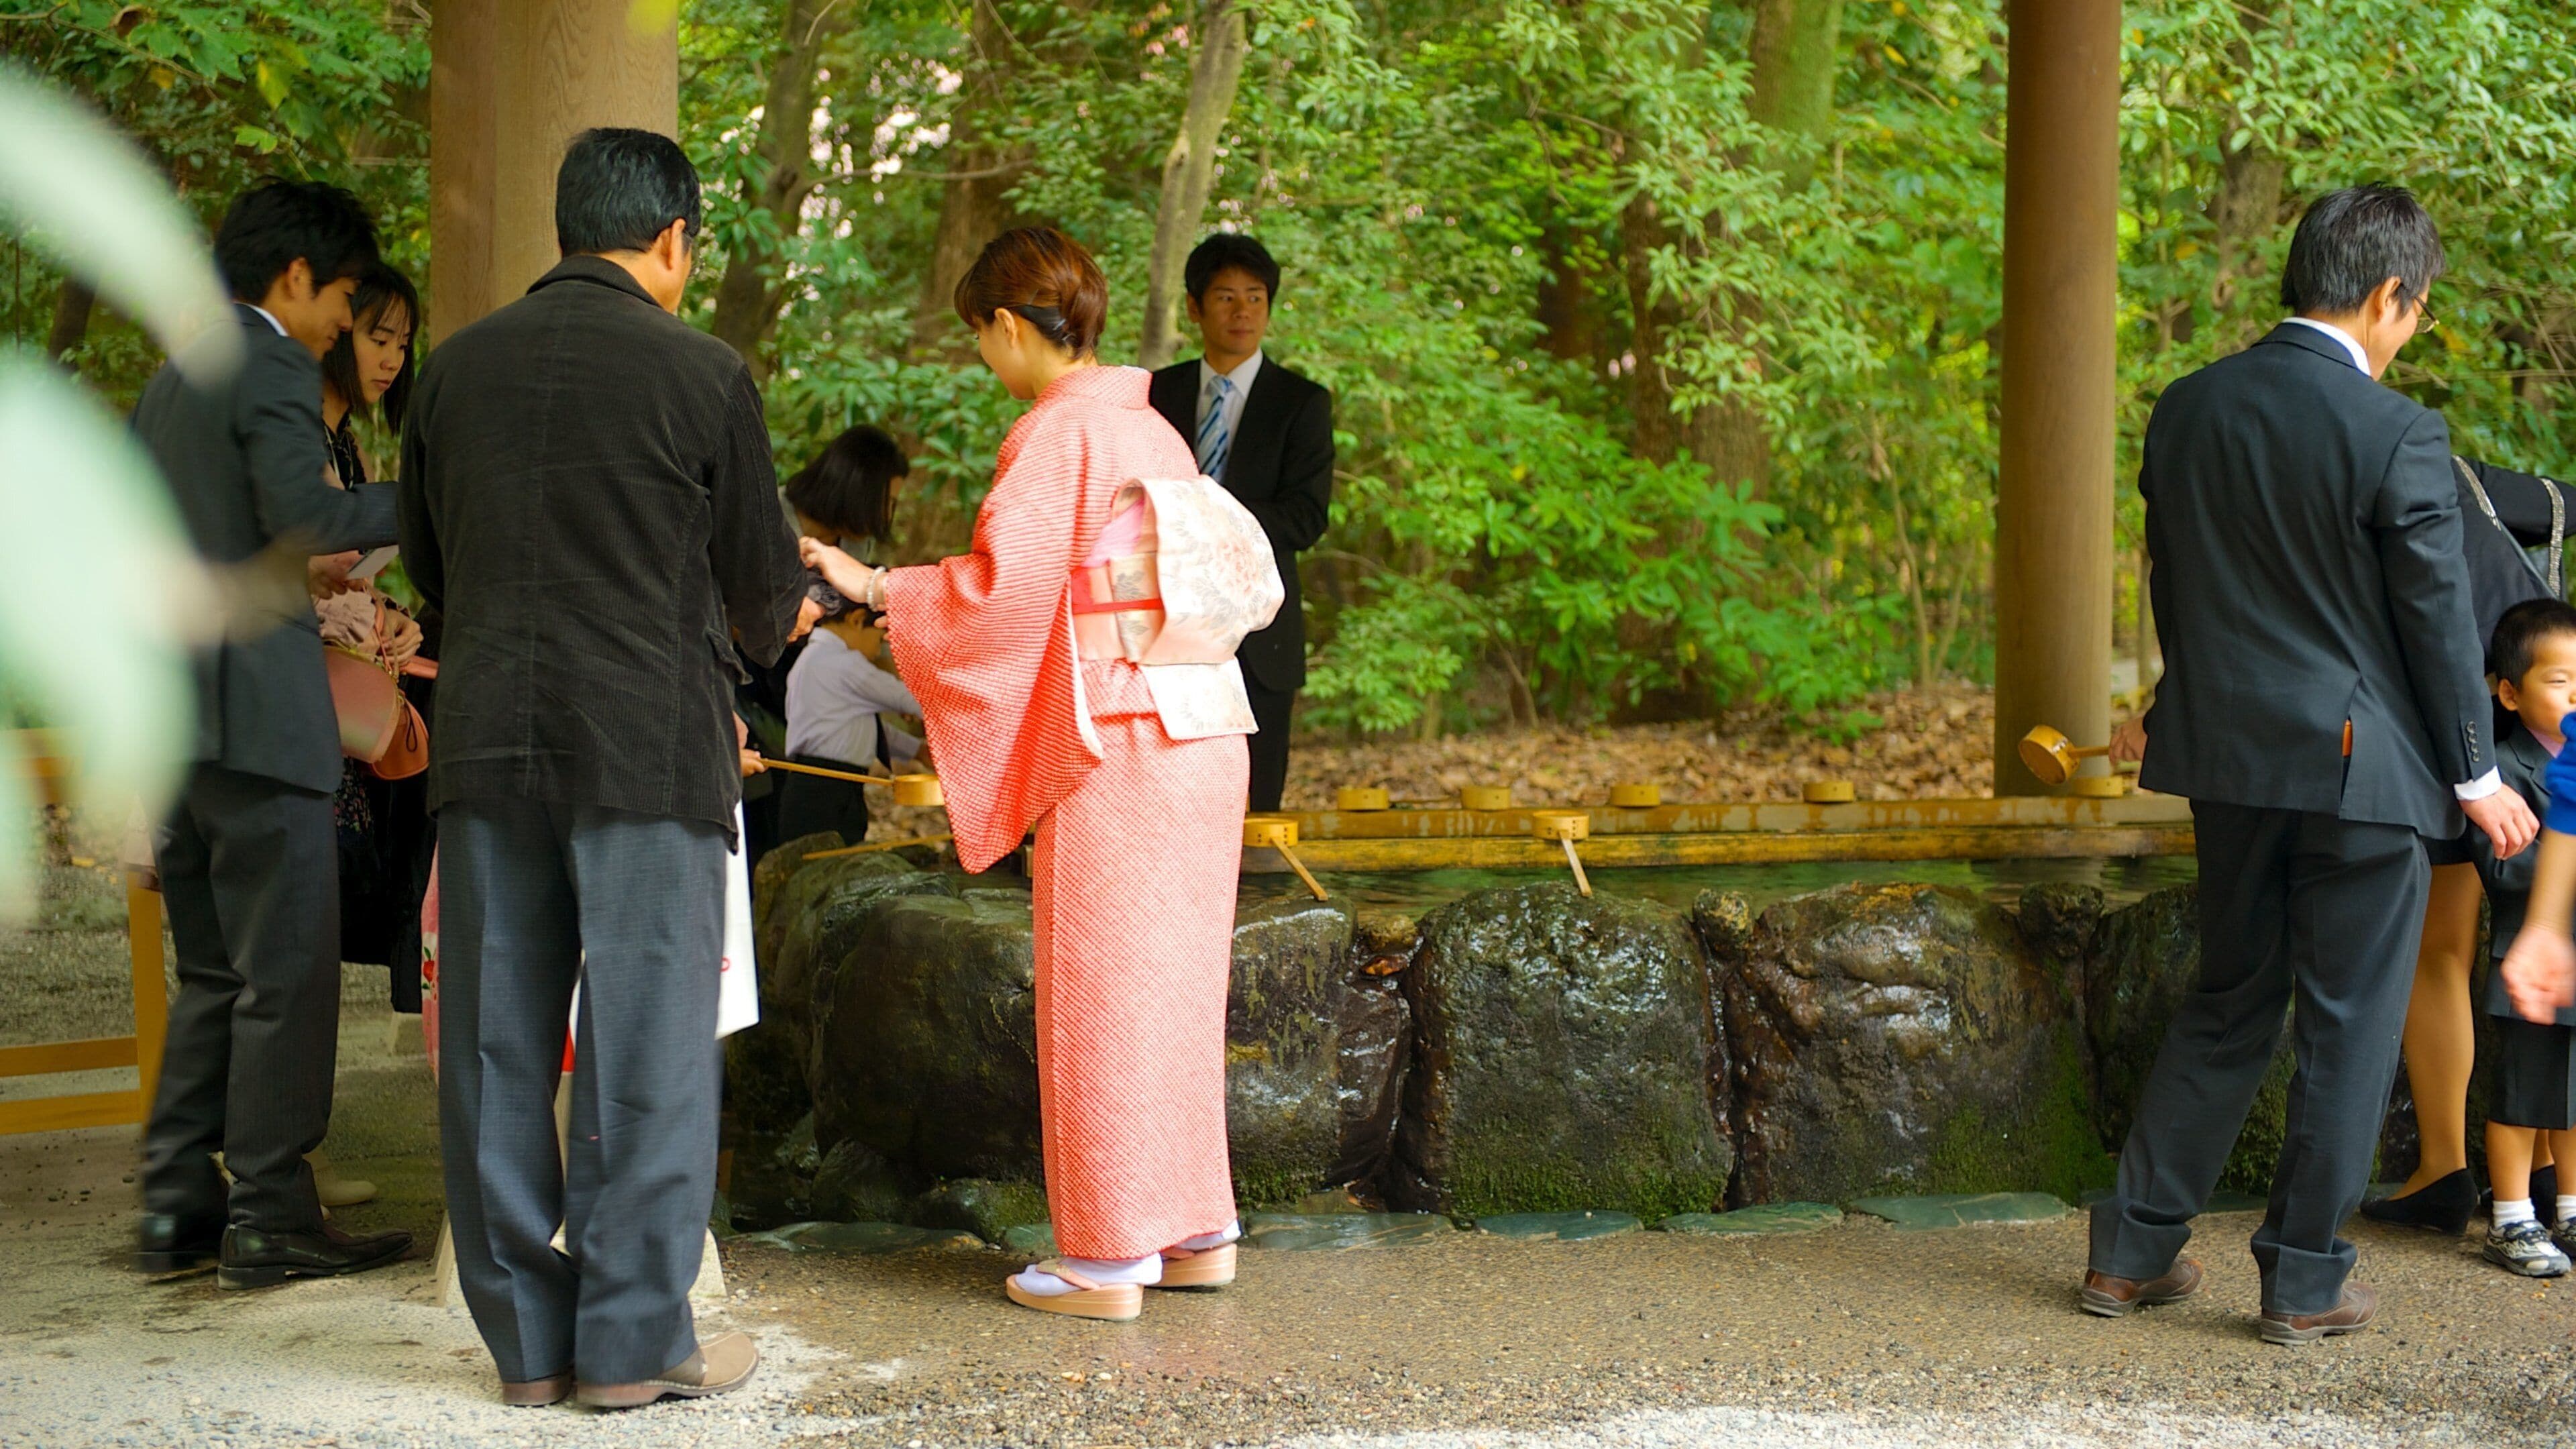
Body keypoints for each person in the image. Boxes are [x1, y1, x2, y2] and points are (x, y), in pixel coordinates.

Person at [397, 127, 815, 1409]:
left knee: (494, 1042)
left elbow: (430, 566)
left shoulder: (454, 375)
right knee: (646, 1046)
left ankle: (529, 1347)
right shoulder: (702, 373)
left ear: (567, 227)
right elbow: (764, 586)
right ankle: (634, 1346)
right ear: (675, 239)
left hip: (486, 743)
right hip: (645, 746)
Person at [2080, 185, 2536, 1346]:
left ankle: (2131, 1256)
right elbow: (2436, 625)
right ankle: (2303, 1279)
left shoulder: (2187, 410)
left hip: (2228, 762)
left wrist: (2181, 707)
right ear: (2387, 294)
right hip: (2362, 774)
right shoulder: (2398, 432)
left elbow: (2177, 589)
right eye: (2413, 312)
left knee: (2230, 999)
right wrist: (2478, 777)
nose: (2409, 333)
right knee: (2350, 1024)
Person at [805, 225, 1254, 1322]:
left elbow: (1000, 600)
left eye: (981, 341)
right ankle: (1195, 1229)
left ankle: (1105, 1259)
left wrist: (877, 587)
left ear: (1010, 327)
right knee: (1180, 993)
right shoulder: (1149, 427)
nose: (986, 363)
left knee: (1102, 991)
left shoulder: (1062, 433)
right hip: (1203, 726)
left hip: (1126, 743)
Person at [129, 179, 413, 1287]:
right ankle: (273, 1214)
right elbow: (307, 515)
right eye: (345, 296)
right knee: (287, 971)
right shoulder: (275, 365)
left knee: (212, 972)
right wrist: (426, 494)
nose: (347, 323)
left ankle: (176, 1206)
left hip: (177, 717)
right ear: (296, 279)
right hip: (259, 713)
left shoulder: (173, 378)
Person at [2362, 458, 2576, 1234]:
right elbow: (2557, 507)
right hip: (2523, 725)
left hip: (2436, 735)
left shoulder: (2348, 469)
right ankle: (2550, 1181)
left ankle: (2446, 1169)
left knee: (2441, 953)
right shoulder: (2441, 466)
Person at [1148, 233, 1332, 812]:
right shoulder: (1155, 393)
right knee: (1170, 797)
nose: (1243, 311)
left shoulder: (1302, 402)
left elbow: (1305, 518)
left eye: (1255, 297)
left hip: (1261, 631)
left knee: (1256, 811)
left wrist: (1206, 523)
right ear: (1195, 307)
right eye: (1226, 297)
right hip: (1164, 626)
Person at [2464, 600, 2576, 1275]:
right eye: (2560, 680)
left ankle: (2570, 1207)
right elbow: (2506, 866)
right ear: (2510, 691)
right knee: (2522, 1095)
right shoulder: (2502, 772)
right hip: (2526, 966)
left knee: (2575, 1097)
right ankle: (2510, 1217)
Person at [775, 426, 926, 845]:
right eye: (887, 502)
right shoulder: (770, 518)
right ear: (857, 488)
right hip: (760, 682)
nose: (888, 518)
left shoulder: (854, 548)